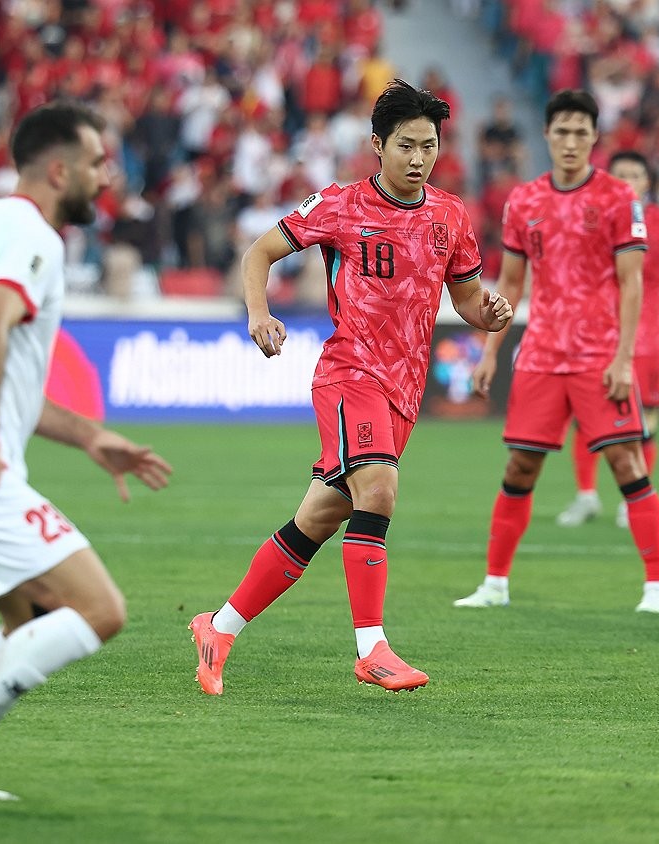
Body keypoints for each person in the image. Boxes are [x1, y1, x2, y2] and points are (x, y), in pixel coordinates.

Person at [0, 101, 173, 811]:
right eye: (97, 162)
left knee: (29, 624)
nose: (105, 176)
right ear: (60, 168)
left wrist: (90, 437)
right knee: (100, 610)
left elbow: (2, 369)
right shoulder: (32, 235)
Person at [188, 80, 512, 695]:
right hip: (349, 374)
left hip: (404, 391)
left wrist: (488, 314)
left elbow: (466, 298)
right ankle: (372, 647)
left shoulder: (449, 215)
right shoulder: (340, 205)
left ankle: (219, 626)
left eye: (430, 146)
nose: (419, 159)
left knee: (318, 517)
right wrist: (259, 313)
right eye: (407, 146)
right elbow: (259, 251)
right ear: (377, 145)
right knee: (380, 487)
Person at [454, 90, 659, 614]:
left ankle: (658, 586)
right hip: (541, 355)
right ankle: (495, 584)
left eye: (581, 132)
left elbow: (633, 283)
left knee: (626, 462)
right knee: (519, 468)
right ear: (547, 135)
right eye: (562, 131)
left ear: (594, 137)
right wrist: (488, 351)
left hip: (600, 356)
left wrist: (623, 358)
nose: (571, 141)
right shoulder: (523, 201)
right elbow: (509, 283)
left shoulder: (620, 198)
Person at [557, 150, 659, 529]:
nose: (627, 181)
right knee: (586, 416)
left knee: (644, 420)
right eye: (620, 174)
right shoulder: (590, 221)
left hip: (649, 333)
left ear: (647, 182)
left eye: (635, 174)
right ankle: (586, 496)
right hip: (597, 330)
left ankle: (633, 499)